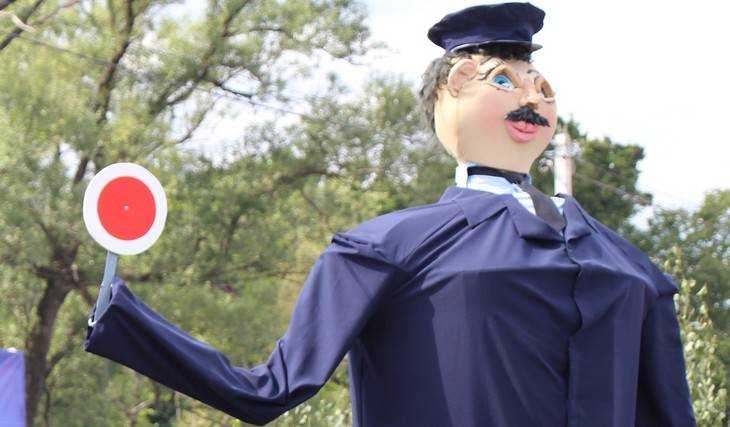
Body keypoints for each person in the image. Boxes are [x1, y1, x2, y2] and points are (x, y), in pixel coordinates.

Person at [85, 3, 697, 426]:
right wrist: (120, 313)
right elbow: (271, 387)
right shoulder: (387, 248)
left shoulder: (627, 263)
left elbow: (668, 411)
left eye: (542, 86)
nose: (531, 98)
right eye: (504, 81)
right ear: (454, 87)